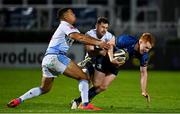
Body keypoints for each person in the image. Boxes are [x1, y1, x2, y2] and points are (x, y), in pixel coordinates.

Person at [7, 8, 110, 110]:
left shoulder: (69, 28)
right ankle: (85, 104)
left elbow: (83, 38)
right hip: (56, 56)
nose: (74, 15)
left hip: (47, 59)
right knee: (84, 78)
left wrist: (97, 44)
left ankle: (19, 100)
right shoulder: (65, 25)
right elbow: (80, 38)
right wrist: (100, 43)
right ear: (65, 16)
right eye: (71, 13)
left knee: (44, 89)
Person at [71, 32, 155, 109]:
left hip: (115, 64)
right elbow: (110, 44)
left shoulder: (144, 56)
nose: (146, 50)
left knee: (103, 87)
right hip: (105, 58)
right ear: (140, 42)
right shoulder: (127, 40)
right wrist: (111, 58)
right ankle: (89, 64)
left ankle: (80, 102)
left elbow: (144, 73)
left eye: (149, 49)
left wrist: (144, 91)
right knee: (97, 84)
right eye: (146, 47)